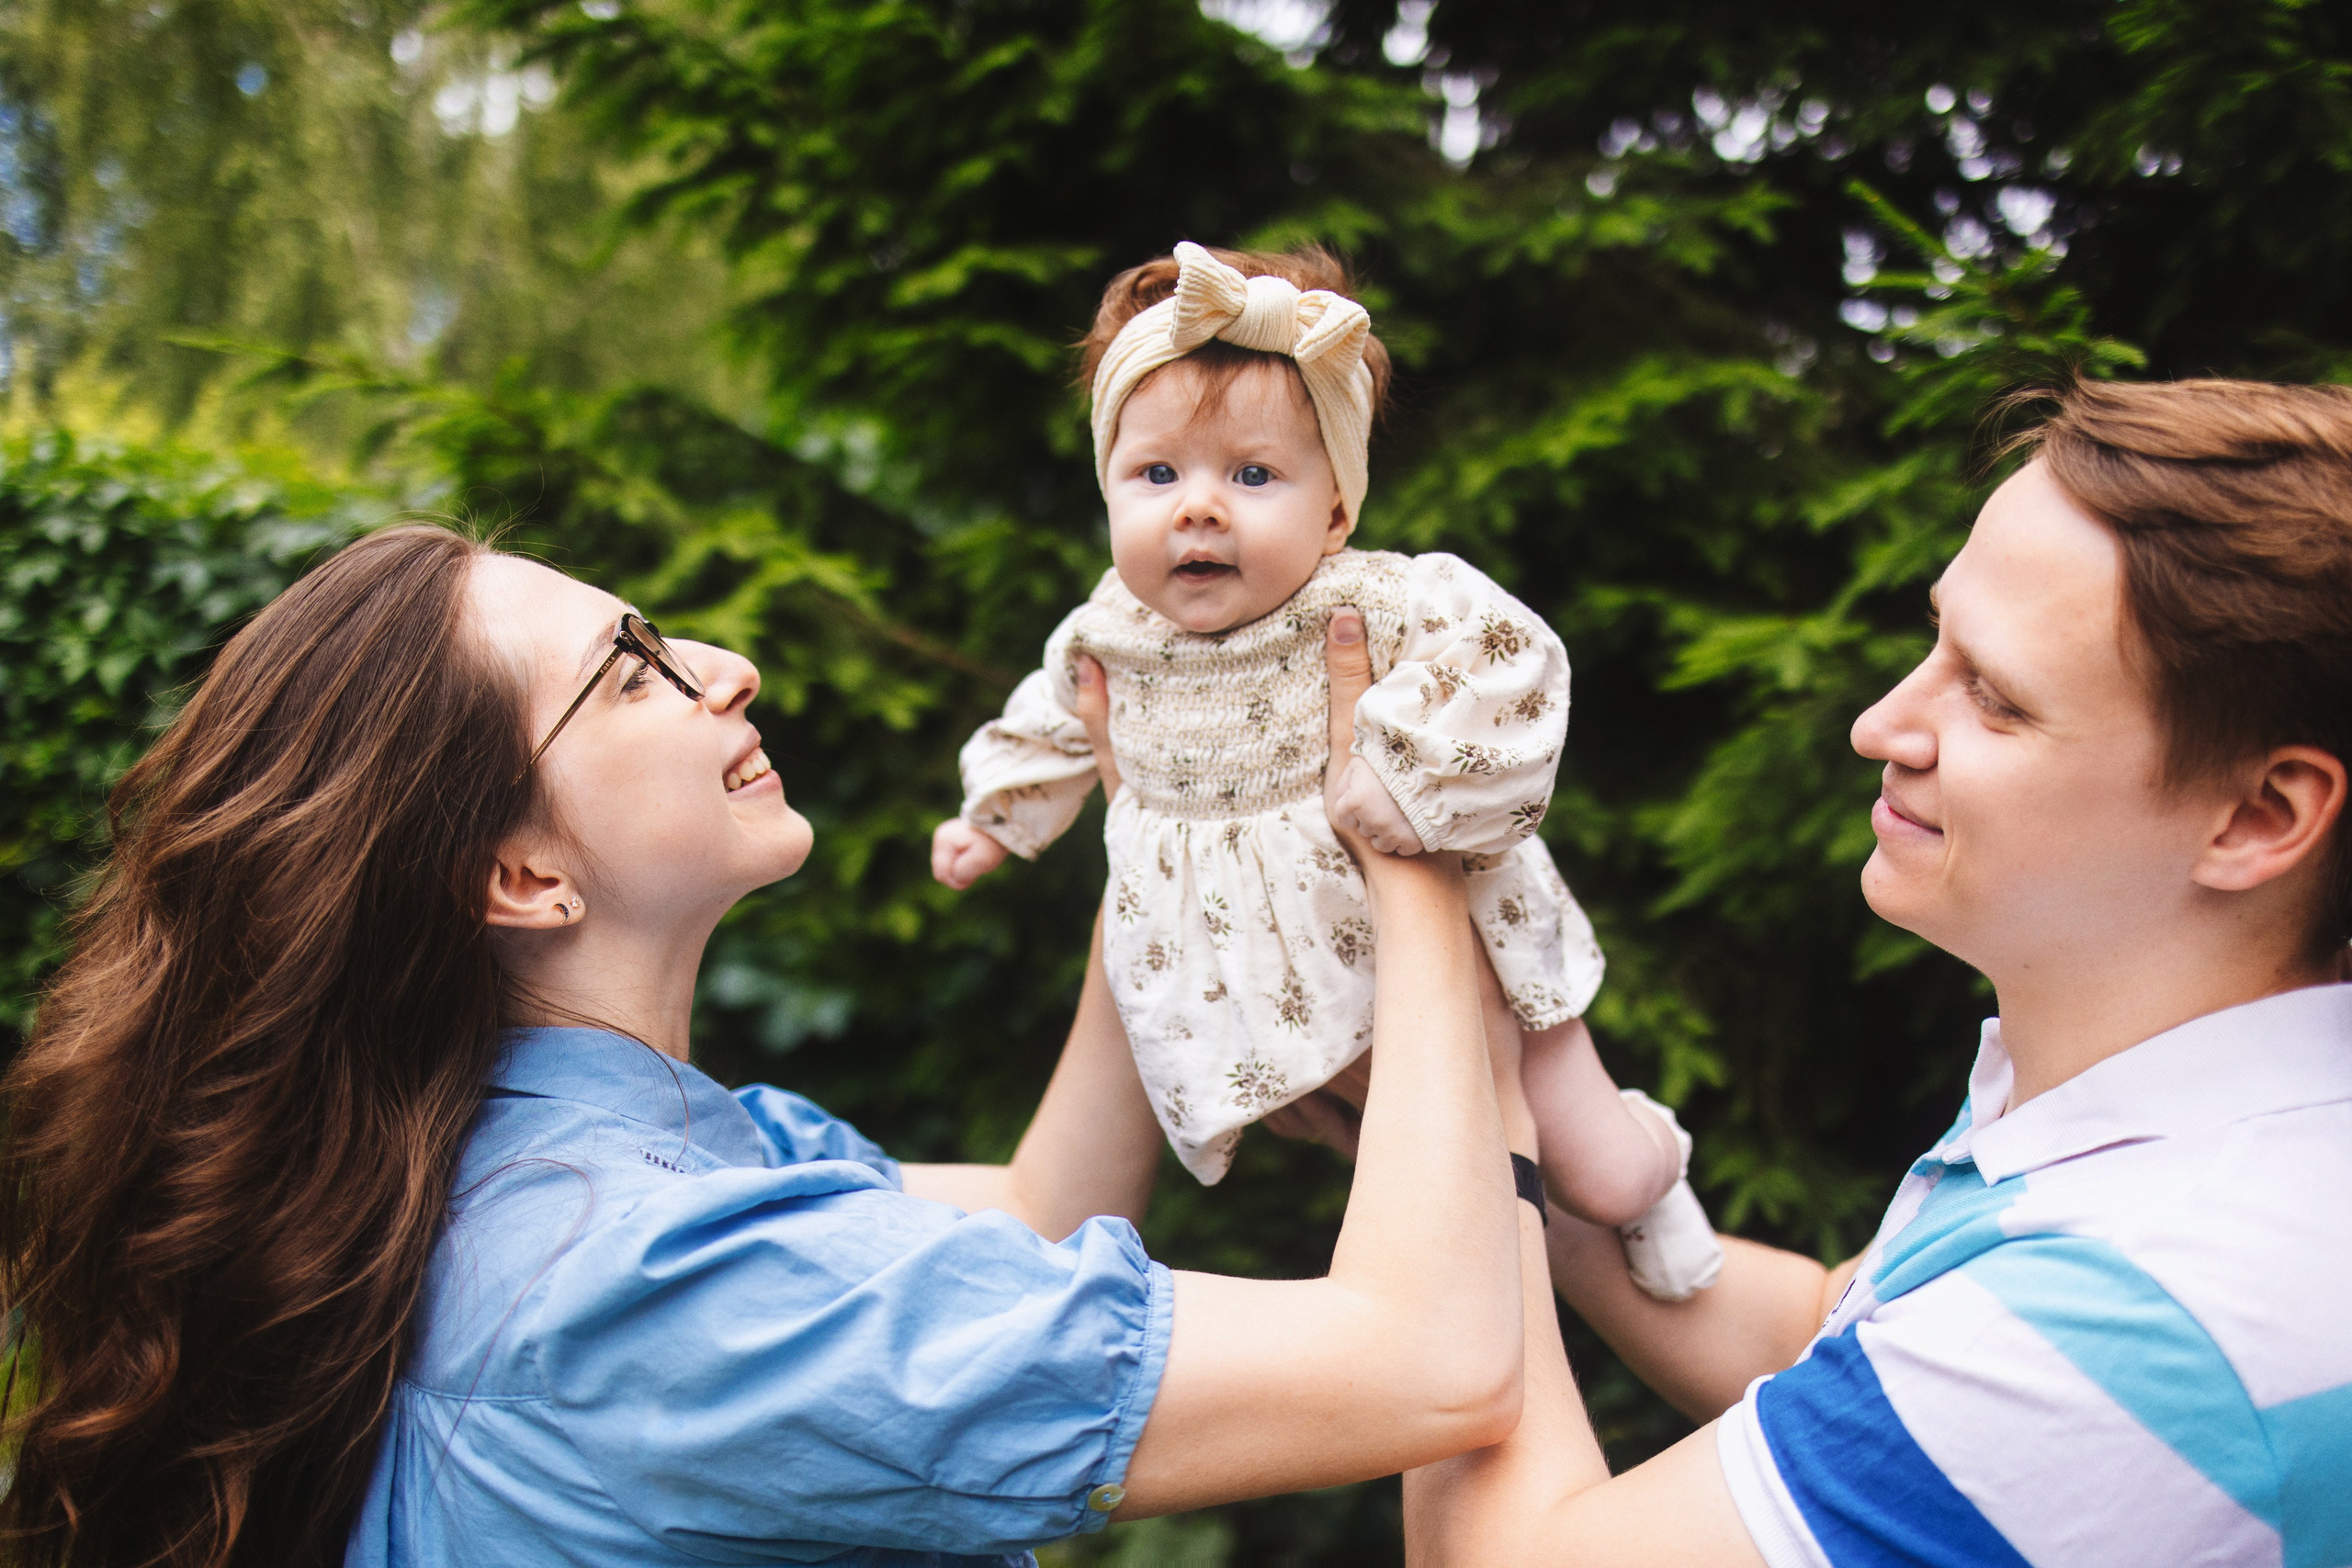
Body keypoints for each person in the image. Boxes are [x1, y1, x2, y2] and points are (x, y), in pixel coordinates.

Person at [0, 524, 1538, 1567]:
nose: (724, 663)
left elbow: (1037, 1211)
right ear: (520, 877)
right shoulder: (644, 1283)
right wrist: (1408, 844)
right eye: (634, 669)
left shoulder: (594, 1165)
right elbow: (1428, 1360)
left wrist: (1180, 825)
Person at [1402, 378, 2352, 1565]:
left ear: (2259, 814)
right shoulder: (2240, 1108)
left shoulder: (2155, 1307)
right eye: (1935, 642)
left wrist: (1456, 1097)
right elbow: (1837, 1327)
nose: (1881, 721)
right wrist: (1543, 1163)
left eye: (1995, 698)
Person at [931, 240, 1717, 1298]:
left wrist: (1404, 774)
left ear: (1336, 510)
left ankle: (1655, 1165)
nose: (1199, 508)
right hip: (1288, 980)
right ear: (1108, 489)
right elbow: (1057, 720)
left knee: (1602, 1175)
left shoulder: (1372, 603)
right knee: (1410, 1194)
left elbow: (1513, 661)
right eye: (1156, 474)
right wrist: (994, 815)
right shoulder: (1108, 632)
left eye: (1253, 475)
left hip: (1457, 946)